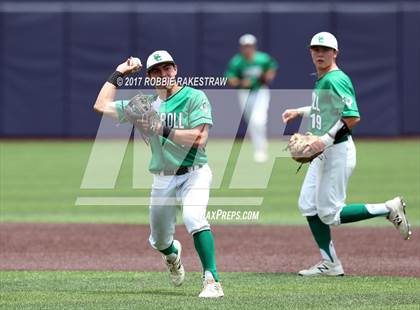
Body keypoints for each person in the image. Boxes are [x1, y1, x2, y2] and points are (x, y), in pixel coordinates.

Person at [93, 50, 224, 297]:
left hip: (194, 173)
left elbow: (199, 138)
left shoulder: (194, 96)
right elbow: (100, 105)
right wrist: (120, 72)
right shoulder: (144, 106)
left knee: (195, 219)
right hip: (163, 177)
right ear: (151, 77)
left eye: (167, 68)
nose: (163, 74)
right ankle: (172, 255)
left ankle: (212, 280)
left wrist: (161, 128)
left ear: (175, 69)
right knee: (160, 241)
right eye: (156, 71)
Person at [282, 32, 411, 276]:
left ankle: (388, 208)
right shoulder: (322, 79)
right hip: (324, 153)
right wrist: (300, 111)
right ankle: (330, 264)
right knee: (308, 205)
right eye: (315, 49)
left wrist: (323, 140)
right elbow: (325, 109)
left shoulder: (336, 79)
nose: (320, 54)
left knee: (330, 213)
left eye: (325, 50)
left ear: (335, 53)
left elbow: (352, 116)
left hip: (337, 151)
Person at [226, 34, 278, 163]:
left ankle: (260, 149)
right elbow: (230, 79)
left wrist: (267, 77)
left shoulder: (262, 58)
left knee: (258, 120)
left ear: (254, 46)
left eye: (249, 46)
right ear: (241, 48)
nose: (247, 49)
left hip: (260, 92)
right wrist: (241, 82)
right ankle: (260, 145)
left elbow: (272, 68)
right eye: (245, 46)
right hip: (244, 93)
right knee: (252, 122)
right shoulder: (237, 61)